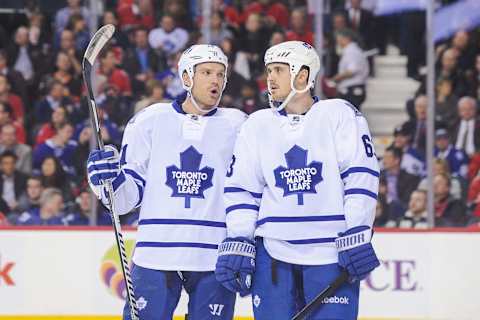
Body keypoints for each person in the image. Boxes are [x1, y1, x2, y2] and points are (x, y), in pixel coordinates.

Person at [215, 41, 379, 319]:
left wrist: (357, 229)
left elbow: (360, 174)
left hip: (331, 252)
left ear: (302, 75)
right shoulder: (257, 124)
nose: (270, 78)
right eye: (268, 70)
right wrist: (240, 238)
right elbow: (242, 189)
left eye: (278, 70)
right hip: (273, 254)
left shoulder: (339, 114)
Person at [87, 44, 246, 319]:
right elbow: (126, 199)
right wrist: (106, 182)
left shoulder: (240, 125)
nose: (215, 81)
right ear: (186, 78)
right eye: (207, 72)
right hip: (156, 252)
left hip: (213, 253)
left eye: (221, 74)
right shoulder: (149, 121)